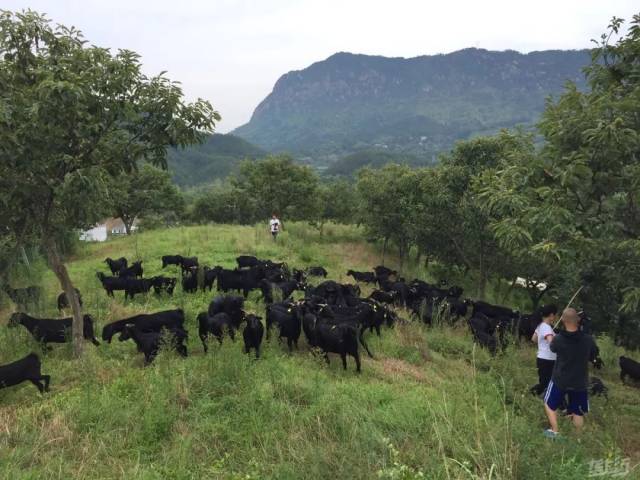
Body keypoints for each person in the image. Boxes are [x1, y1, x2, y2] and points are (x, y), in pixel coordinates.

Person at [543, 308, 598, 438]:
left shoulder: (559, 339)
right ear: (578, 320)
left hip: (560, 380)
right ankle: (577, 438)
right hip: (580, 381)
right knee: (578, 411)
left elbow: (552, 348)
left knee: (549, 404)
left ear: (563, 320)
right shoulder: (588, 340)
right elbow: (593, 353)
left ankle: (555, 431)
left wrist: (552, 337)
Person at [531, 304, 558, 395]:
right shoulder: (546, 327)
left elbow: (533, 339)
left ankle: (536, 393)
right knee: (547, 383)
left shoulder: (540, 326)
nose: (555, 317)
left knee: (546, 382)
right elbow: (552, 344)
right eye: (555, 315)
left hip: (542, 358)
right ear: (551, 315)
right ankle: (533, 393)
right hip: (548, 360)